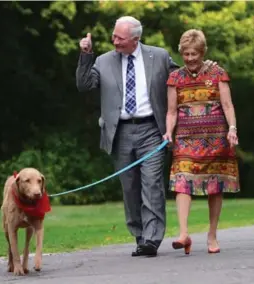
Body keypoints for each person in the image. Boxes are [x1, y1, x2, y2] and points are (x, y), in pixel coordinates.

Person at [76, 16, 179, 257]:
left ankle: (152, 240)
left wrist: (204, 71)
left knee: (152, 184)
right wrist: (85, 55)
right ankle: (140, 236)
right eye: (113, 36)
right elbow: (83, 85)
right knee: (130, 187)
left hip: (151, 130)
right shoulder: (103, 61)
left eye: (119, 38)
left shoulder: (159, 56)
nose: (114, 41)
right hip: (119, 132)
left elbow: (181, 80)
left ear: (136, 39)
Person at [163, 29, 240, 255]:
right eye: (186, 54)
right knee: (181, 183)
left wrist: (232, 129)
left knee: (215, 186)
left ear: (202, 52)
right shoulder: (175, 78)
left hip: (216, 140)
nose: (189, 58)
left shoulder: (217, 73)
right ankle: (184, 234)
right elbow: (171, 112)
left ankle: (212, 235)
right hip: (185, 141)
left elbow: (227, 105)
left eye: (194, 54)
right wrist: (168, 132)